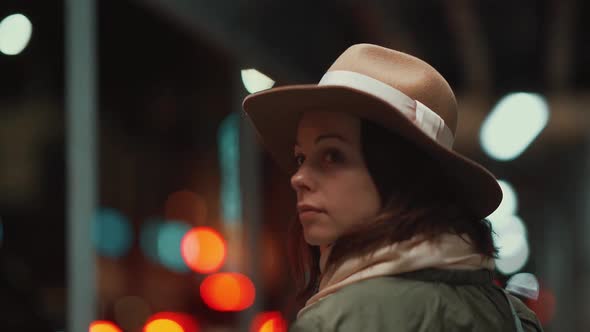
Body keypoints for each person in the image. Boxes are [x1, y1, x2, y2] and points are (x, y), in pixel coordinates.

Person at [242, 44, 543, 331]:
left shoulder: (333, 322)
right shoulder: (515, 317)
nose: (298, 177)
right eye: (300, 158)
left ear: (400, 174)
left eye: (332, 155)